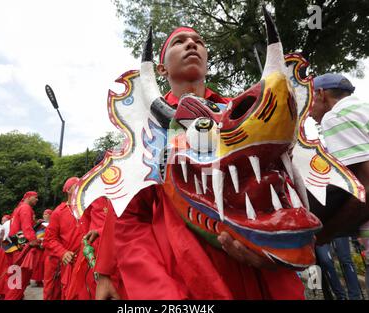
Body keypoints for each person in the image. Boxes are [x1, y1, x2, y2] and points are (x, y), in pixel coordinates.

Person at [113, 26, 305, 299]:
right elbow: (129, 220)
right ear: (161, 69)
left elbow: (280, 185)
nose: (191, 44)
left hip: (265, 275)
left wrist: (280, 250)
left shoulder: (244, 112)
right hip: (181, 280)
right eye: (179, 42)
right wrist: (161, 294)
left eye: (198, 41)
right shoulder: (142, 130)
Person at [310, 73, 369, 300]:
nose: (309, 111)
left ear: (320, 94)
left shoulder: (336, 117)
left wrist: (326, 233)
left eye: (309, 102)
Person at [43, 177, 83, 300]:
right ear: (68, 190)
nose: (81, 186)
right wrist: (63, 253)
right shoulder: (58, 212)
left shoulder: (87, 208)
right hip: (66, 263)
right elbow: (49, 239)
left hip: (84, 262)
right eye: (77, 185)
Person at [4, 191, 43, 300]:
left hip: (11, 245)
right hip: (20, 248)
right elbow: (26, 228)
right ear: (28, 197)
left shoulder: (18, 208)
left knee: (13, 278)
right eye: (35, 197)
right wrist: (34, 241)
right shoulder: (26, 208)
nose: (37, 200)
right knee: (19, 279)